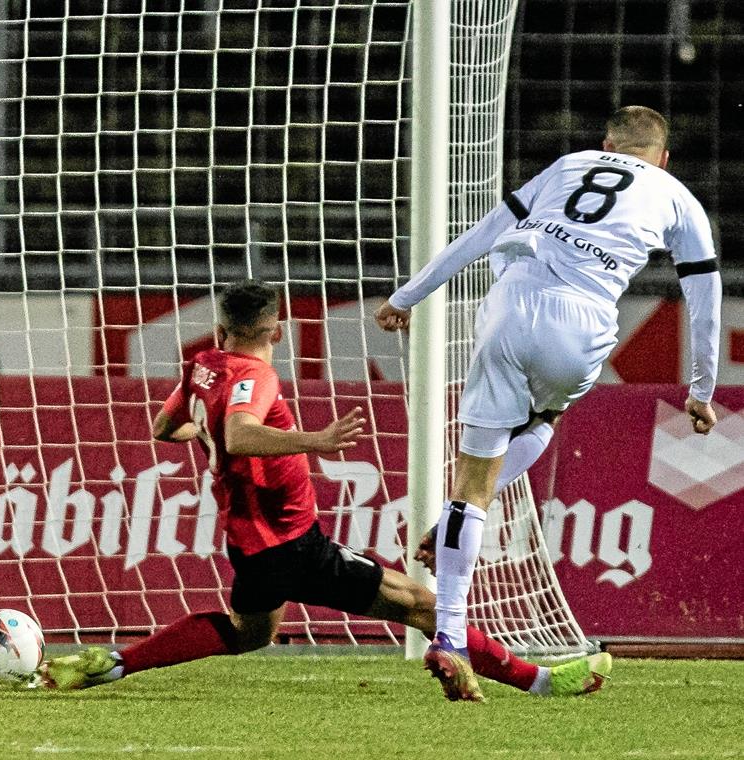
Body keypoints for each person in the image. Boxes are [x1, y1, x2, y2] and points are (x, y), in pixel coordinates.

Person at [38, 280, 611, 700]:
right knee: (424, 605)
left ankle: (112, 663)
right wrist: (314, 438)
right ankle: (537, 682)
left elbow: (167, 428)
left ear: (220, 330)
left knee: (247, 633)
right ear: (278, 331)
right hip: (290, 543)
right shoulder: (255, 375)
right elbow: (239, 434)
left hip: (250, 545)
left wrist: (211, 431)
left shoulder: (201, 365)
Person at [374, 105, 720, 698]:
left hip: (510, 302)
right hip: (583, 319)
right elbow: (703, 293)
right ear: (663, 157)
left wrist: (409, 295)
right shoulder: (677, 196)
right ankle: (464, 525)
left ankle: (450, 632)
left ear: (605, 141)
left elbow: (485, 232)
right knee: (545, 418)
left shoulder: (571, 164)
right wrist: (701, 388)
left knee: (470, 482)